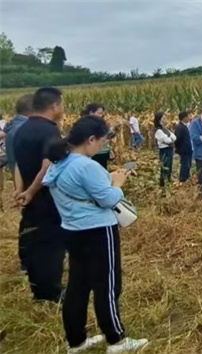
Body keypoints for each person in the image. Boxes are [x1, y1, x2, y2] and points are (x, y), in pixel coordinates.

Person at [41, 115, 149, 354]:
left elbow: (81, 189)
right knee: (108, 286)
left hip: (72, 230)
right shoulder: (87, 166)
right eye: (101, 141)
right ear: (90, 139)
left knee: (78, 285)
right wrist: (118, 182)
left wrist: (107, 181)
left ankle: (76, 341)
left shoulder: (60, 163)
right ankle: (116, 340)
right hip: (99, 232)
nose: (102, 145)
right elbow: (109, 198)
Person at [13, 87, 68, 302]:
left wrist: (20, 190)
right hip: (46, 200)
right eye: (61, 104)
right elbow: (48, 166)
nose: (62, 109)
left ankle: (38, 291)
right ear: (54, 106)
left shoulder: (22, 129)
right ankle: (52, 294)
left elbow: (17, 164)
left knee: (35, 245)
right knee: (51, 247)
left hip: (31, 201)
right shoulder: (48, 131)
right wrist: (31, 191)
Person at [4, 94, 33, 273]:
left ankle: (26, 261)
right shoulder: (23, 128)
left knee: (28, 219)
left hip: (19, 178)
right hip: (27, 179)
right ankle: (28, 262)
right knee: (31, 221)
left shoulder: (13, 126)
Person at [84, 103, 112, 169]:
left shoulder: (102, 123)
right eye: (99, 113)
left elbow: (108, 135)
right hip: (94, 153)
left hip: (103, 151)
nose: (101, 115)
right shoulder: (86, 124)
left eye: (102, 113)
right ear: (91, 113)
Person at [154, 111, 176, 188]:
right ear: (159, 119)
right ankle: (163, 185)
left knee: (169, 167)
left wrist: (171, 138)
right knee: (165, 168)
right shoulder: (159, 130)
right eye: (163, 117)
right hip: (164, 151)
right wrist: (171, 138)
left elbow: (174, 137)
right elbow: (168, 140)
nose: (165, 119)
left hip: (169, 150)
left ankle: (168, 183)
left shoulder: (164, 128)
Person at [174, 110, 193, 183]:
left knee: (188, 164)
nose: (189, 117)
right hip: (184, 149)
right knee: (185, 164)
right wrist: (179, 148)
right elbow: (177, 139)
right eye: (188, 116)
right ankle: (183, 179)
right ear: (184, 118)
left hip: (188, 149)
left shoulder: (185, 126)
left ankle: (187, 177)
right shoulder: (180, 127)